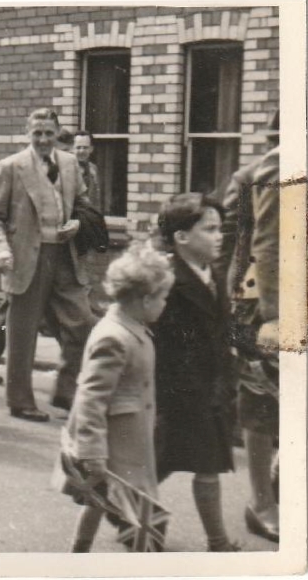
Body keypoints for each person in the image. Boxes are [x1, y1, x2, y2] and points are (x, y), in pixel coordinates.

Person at [61, 242, 174, 553]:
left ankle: (79, 552)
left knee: (99, 501)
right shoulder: (114, 337)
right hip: (114, 447)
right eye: (163, 298)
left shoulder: (131, 326)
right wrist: (92, 451)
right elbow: (91, 399)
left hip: (127, 442)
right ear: (145, 299)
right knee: (144, 525)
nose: (165, 305)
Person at [0, 108, 97, 421]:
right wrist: (1, 250)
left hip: (64, 256)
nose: (43, 139)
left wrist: (77, 222)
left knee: (83, 323)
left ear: (58, 133)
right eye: (37, 133)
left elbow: (83, 206)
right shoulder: (10, 167)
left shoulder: (71, 164)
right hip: (25, 258)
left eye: (49, 133)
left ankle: (65, 392)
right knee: (22, 334)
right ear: (27, 134)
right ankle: (20, 401)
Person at [152, 193, 239, 552]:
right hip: (178, 390)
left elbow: (223, 326)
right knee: (160, 462)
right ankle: (125, 510)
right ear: (181, 237)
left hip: (211, 385)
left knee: (206, 462)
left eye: (220, 229)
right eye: (210, 229)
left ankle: (217, 540)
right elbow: (162, 342)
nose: (219, 236)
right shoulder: (168, 279)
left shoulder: (214, 273)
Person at [227, 138, 280, 544]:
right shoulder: (282, 165)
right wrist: (278, 319)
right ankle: (261, 503)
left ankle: (278, 476)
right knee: (260, 398)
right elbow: (270, 247)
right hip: (264, 301)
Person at [73, 131, 103, 214]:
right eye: (78, 147)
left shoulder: (93, 169)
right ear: (72, 148)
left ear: (91, 149)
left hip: (89, 219)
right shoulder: (65, 169)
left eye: (85, 147)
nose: (82, 151)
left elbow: (97, 200)